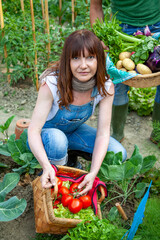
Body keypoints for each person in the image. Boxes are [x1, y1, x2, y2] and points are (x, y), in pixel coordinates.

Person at [27, 29, 127, 195]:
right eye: (76, 58)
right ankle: (52, 171)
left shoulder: (105, 86)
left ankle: (70, 156)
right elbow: (33, 130)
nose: (83, 65)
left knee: (118, 152)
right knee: (57, 140)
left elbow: (103, 134)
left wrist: (93, 172)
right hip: (45, 137)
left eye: (90, 57)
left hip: (73, 133)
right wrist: (46, 167)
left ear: (99, 59)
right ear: (68, 60)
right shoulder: (52, 83)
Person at [90, 0, 160, 143]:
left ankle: (158, 132)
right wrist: (99, 37)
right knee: (118, 83)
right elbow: (95, 6)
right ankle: (117, 134)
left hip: (158, 26)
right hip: (122, 31)